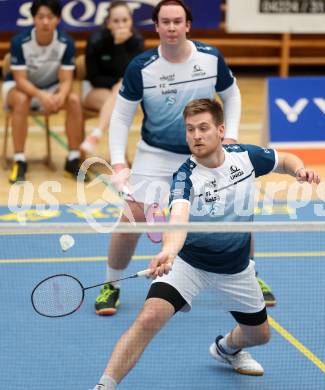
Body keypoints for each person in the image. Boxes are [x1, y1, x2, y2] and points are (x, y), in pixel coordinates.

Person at [91, 98, 320, 389]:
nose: (196, 136)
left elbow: (284, 159)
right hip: (190, 264)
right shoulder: (185, 177)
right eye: (190, 130)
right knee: (148, 317)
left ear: (221, 130)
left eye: (203, 128)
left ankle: (225, 349)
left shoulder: (245, 157)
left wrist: (299, 171)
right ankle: (104, 386)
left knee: (260, 335)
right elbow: (179, 219)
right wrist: (169, 251)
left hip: (236, 268)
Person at [94, 0, 275, 316]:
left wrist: (229, 136)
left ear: (188, 25)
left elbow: (232, 94)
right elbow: (122, 117)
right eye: (165, 22)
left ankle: (250, 276)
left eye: (178, 21)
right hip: (156, 155)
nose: (172, 27)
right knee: (133, 216)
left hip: (207, 155)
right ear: (156, 26)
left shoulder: (209, 57)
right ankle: (112, 283)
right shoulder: (142, 66)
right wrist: (119, 162)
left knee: (236, 210)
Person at [2, 0, 84, 183]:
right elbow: (20, 80)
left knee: (73, 100)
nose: (45, 22)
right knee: (22, 99)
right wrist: (41, 95)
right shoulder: (19, 41)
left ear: (58, 19)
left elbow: (66, 79)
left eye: (50, 17)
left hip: (51, 87)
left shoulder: (66, 42)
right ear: (34, 20)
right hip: (18, 88)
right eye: (41, 17)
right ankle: (20, 161)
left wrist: (59, 97)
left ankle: (72, 159)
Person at [80, 1, 144, 154]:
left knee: (120, 92)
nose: (121, 25)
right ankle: (120, 160)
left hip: (121, 93)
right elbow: (94, 77)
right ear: (108, 23)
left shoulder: (136, 41)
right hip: (95, 90)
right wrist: (118, 83)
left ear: (131, 21)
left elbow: (133, 76)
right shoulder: (96, 40)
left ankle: (97, 133)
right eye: (116, 21)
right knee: (120, 96)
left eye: (125, 20)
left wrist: (121, 46)